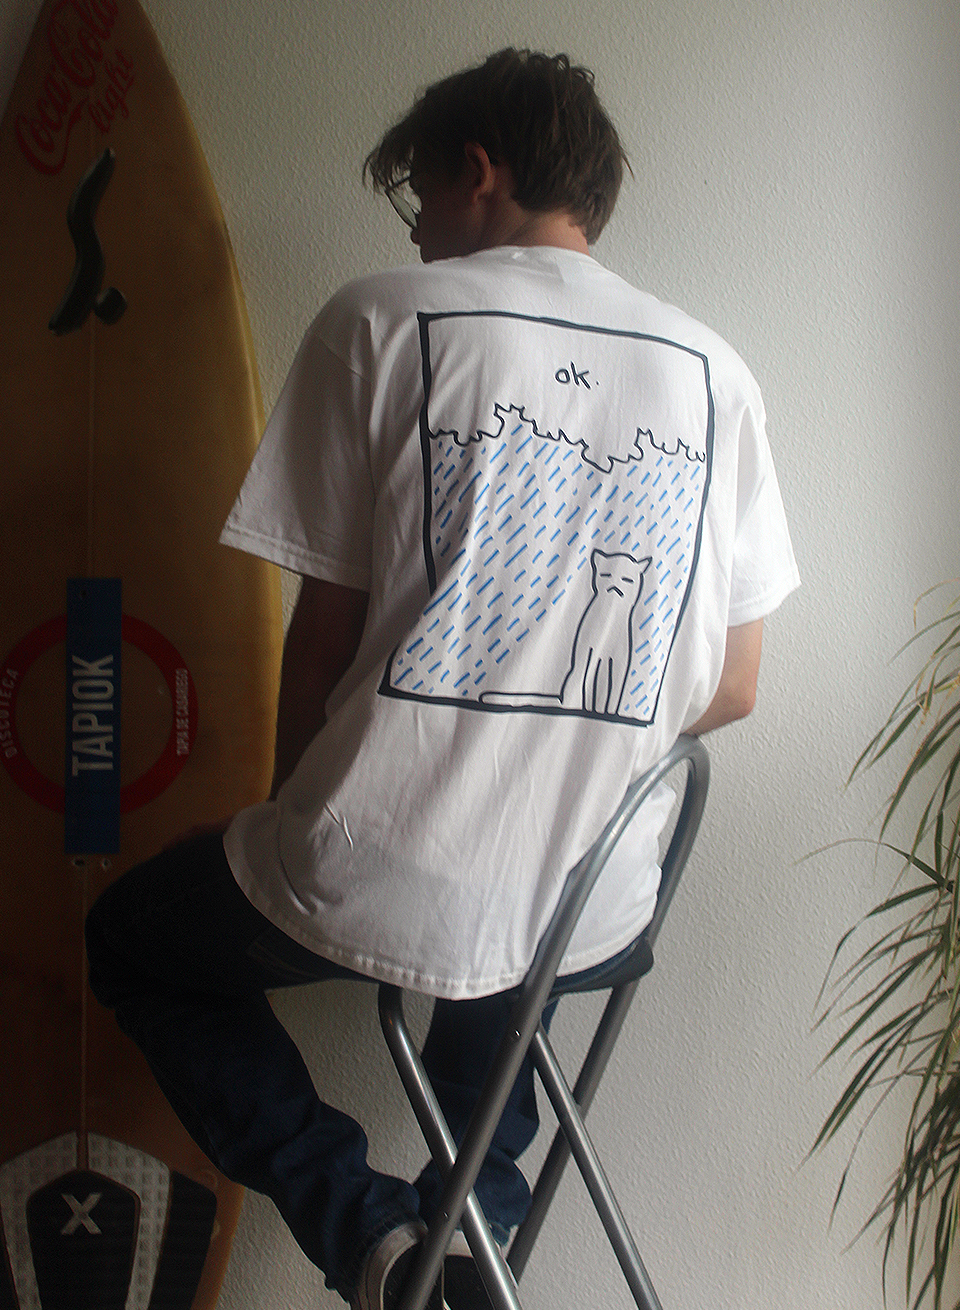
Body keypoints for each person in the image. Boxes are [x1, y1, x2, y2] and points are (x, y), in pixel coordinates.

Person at [85, 48, 799, 1310]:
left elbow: (324, 636)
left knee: (131, 939)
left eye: (419, 195)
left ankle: (369, 1230)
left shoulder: (378, 319)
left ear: (479, 170)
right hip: (596, 903)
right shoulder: (719, 372)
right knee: (513, 936)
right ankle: (470, 1227)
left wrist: (278, 822)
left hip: (391, 863)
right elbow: (735, 684)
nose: (415, 231)